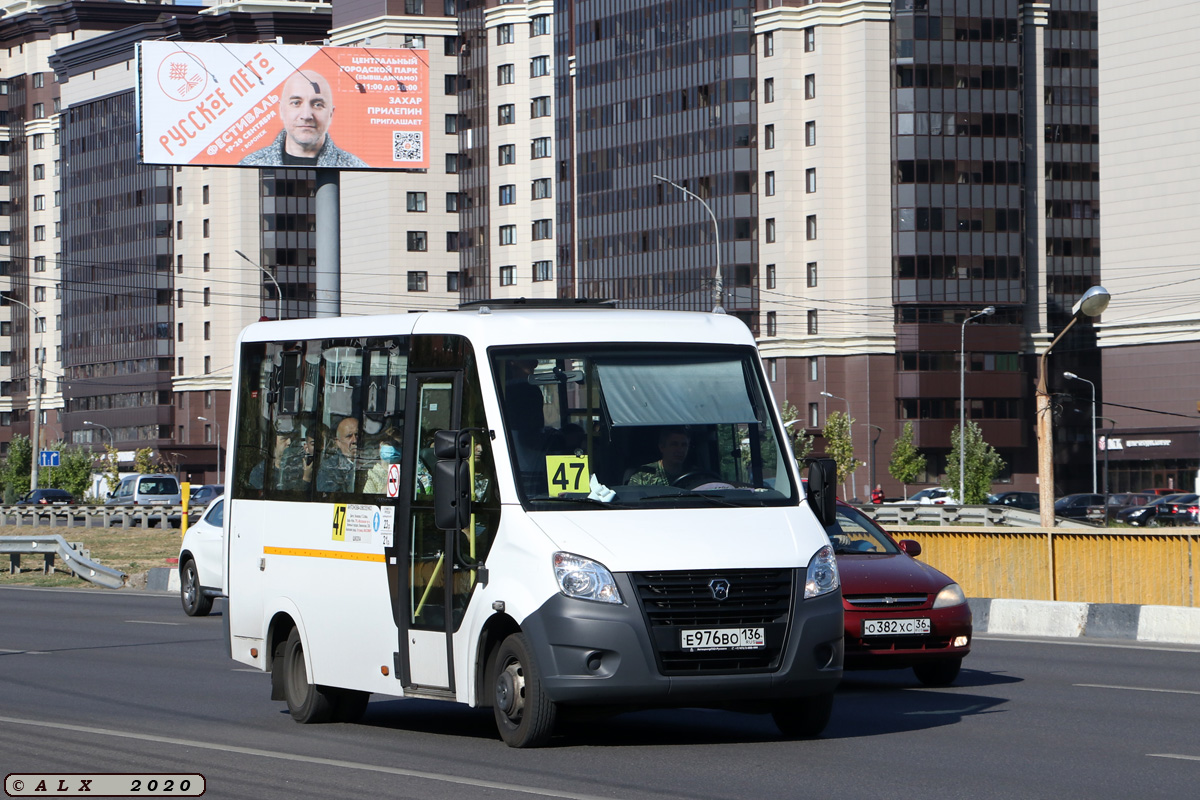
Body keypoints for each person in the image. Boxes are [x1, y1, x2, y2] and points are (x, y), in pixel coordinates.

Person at [240, 70, 367, 168]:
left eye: (317, 105)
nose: (306, 115)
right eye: (296, 103)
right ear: (281, 110)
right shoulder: (249, 164)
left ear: (331, 114)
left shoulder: (356, 167)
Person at [316, 416, 360, 493]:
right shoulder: (329, 467)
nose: (354, 440)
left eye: (357, 435)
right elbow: (332, 498)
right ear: (338, 442)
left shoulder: (371, 462)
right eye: (349, 436)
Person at [363, 430, 403, 495]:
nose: (392, 448)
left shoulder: (409, 470)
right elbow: (369, 501)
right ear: (381, 445)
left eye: (397, 445)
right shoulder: (371, 473)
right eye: (389, 443)